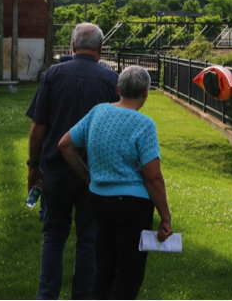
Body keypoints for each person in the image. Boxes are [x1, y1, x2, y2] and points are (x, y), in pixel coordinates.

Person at [58, 65, 173, 300]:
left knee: (104, 269)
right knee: (128, 275)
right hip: (133, 206)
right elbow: (153, 176)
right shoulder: (144, 125)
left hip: (99, 199)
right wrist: (165, 216)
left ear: (118, 88)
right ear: (146, 93)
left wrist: (86, 175)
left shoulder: (97, 112)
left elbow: (65, 144)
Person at [26, 23, 119, 300]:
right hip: (95, 173)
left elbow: (38, 127)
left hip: (55, 169)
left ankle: (47, 296)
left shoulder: (54, 74)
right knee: (89, 239)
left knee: (54, 234)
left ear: (73, 47)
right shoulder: (111, 79)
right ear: (101, 49)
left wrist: (33, 167)